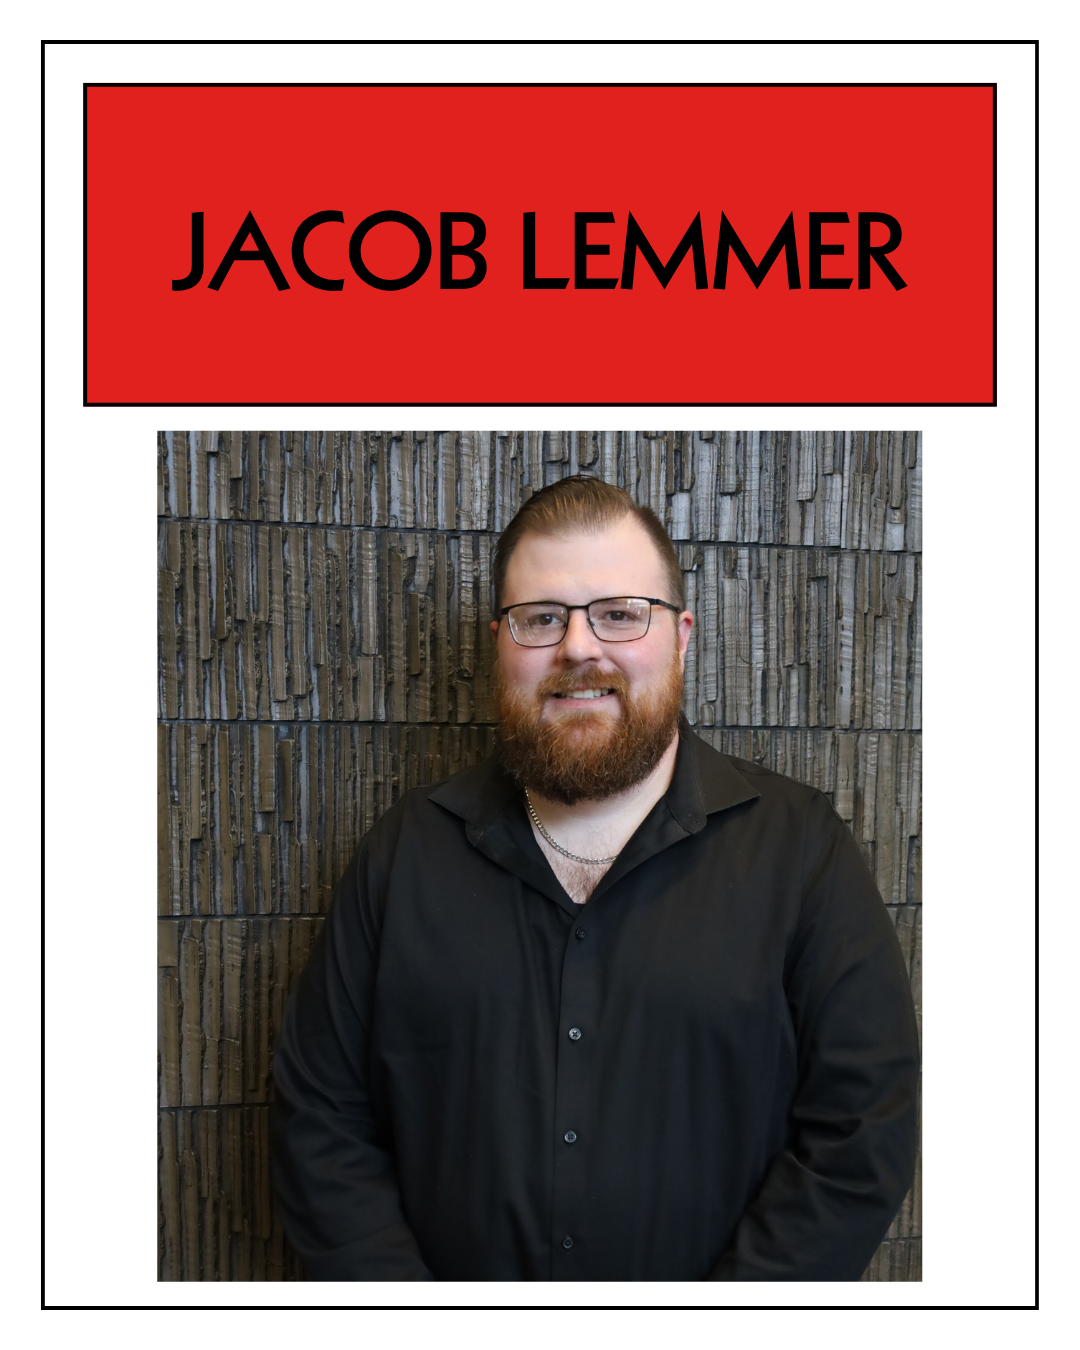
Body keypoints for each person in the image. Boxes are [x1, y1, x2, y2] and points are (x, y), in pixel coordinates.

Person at [271, 475, 920, 1281]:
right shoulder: (406, 856)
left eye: (619, 613)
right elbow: (319, 1121)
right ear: (501, 645)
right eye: (541, 618)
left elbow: (862, 1131)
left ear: (681, 636)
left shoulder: (802, 853)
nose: (579, 647)